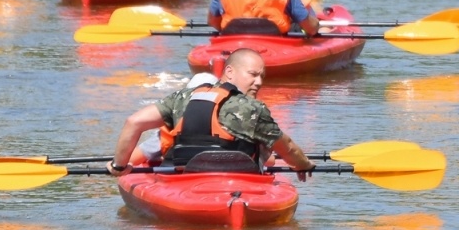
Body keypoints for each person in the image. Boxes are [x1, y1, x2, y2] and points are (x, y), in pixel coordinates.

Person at [108, 48, 315, 177]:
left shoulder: (182, 97)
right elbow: (286, 147)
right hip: (240, 181)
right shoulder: (254, 109)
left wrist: (119, 166)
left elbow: (134, 122)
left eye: (262, 76)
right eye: (253, 75)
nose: (259, 82)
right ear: (229, 71)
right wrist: (303, 165)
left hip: (184, 179)